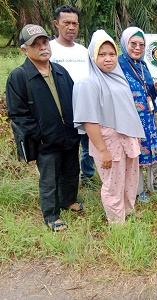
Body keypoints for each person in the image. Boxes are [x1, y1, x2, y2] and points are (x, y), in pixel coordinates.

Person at [6, 24, 81, 232]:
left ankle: (69, 201)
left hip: (68, 135)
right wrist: (40, 135)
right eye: (35, 44)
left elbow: (74, 99)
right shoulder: (19, 76)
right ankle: (51, 215)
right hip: (45, 141)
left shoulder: (59, 71)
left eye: (45, 42)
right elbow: (18, 114)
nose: (42, 47)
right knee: (49, 179)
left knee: (71, 171)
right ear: (24, 49)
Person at [73, 29, 145, 224]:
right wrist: (102, 150)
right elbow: (88, 120)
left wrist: (135, 136)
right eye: (102, 54)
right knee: (113, 183)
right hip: (107, 141)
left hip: (127, 138)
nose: (108, 59)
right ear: (92, 56)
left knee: (130, 179)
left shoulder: (118, 77)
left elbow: (128, 109)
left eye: (112, 54)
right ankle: (117, 223)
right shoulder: (87, 82)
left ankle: (128, 211)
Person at [118, 26, 157, 203]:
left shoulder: (142, 65)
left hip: (148, 117)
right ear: (125, 43)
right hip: (130, 120)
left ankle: (153, 183)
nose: (137, 48)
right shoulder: (118, 65)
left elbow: (147, 90)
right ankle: (138, 191)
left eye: (141, 44)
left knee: (153, 148)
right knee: (136, 153)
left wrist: (154, 88)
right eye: (133, 43)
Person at [50, 4, 95, 187]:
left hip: (84, 107)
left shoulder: (84, 51)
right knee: (66, 147)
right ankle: (67, 180)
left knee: (88, 145)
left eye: (74, 23)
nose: (71, 27)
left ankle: (88, 177)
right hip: (60, 108)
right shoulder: (49, 49)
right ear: (56, 24)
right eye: (66, 23)